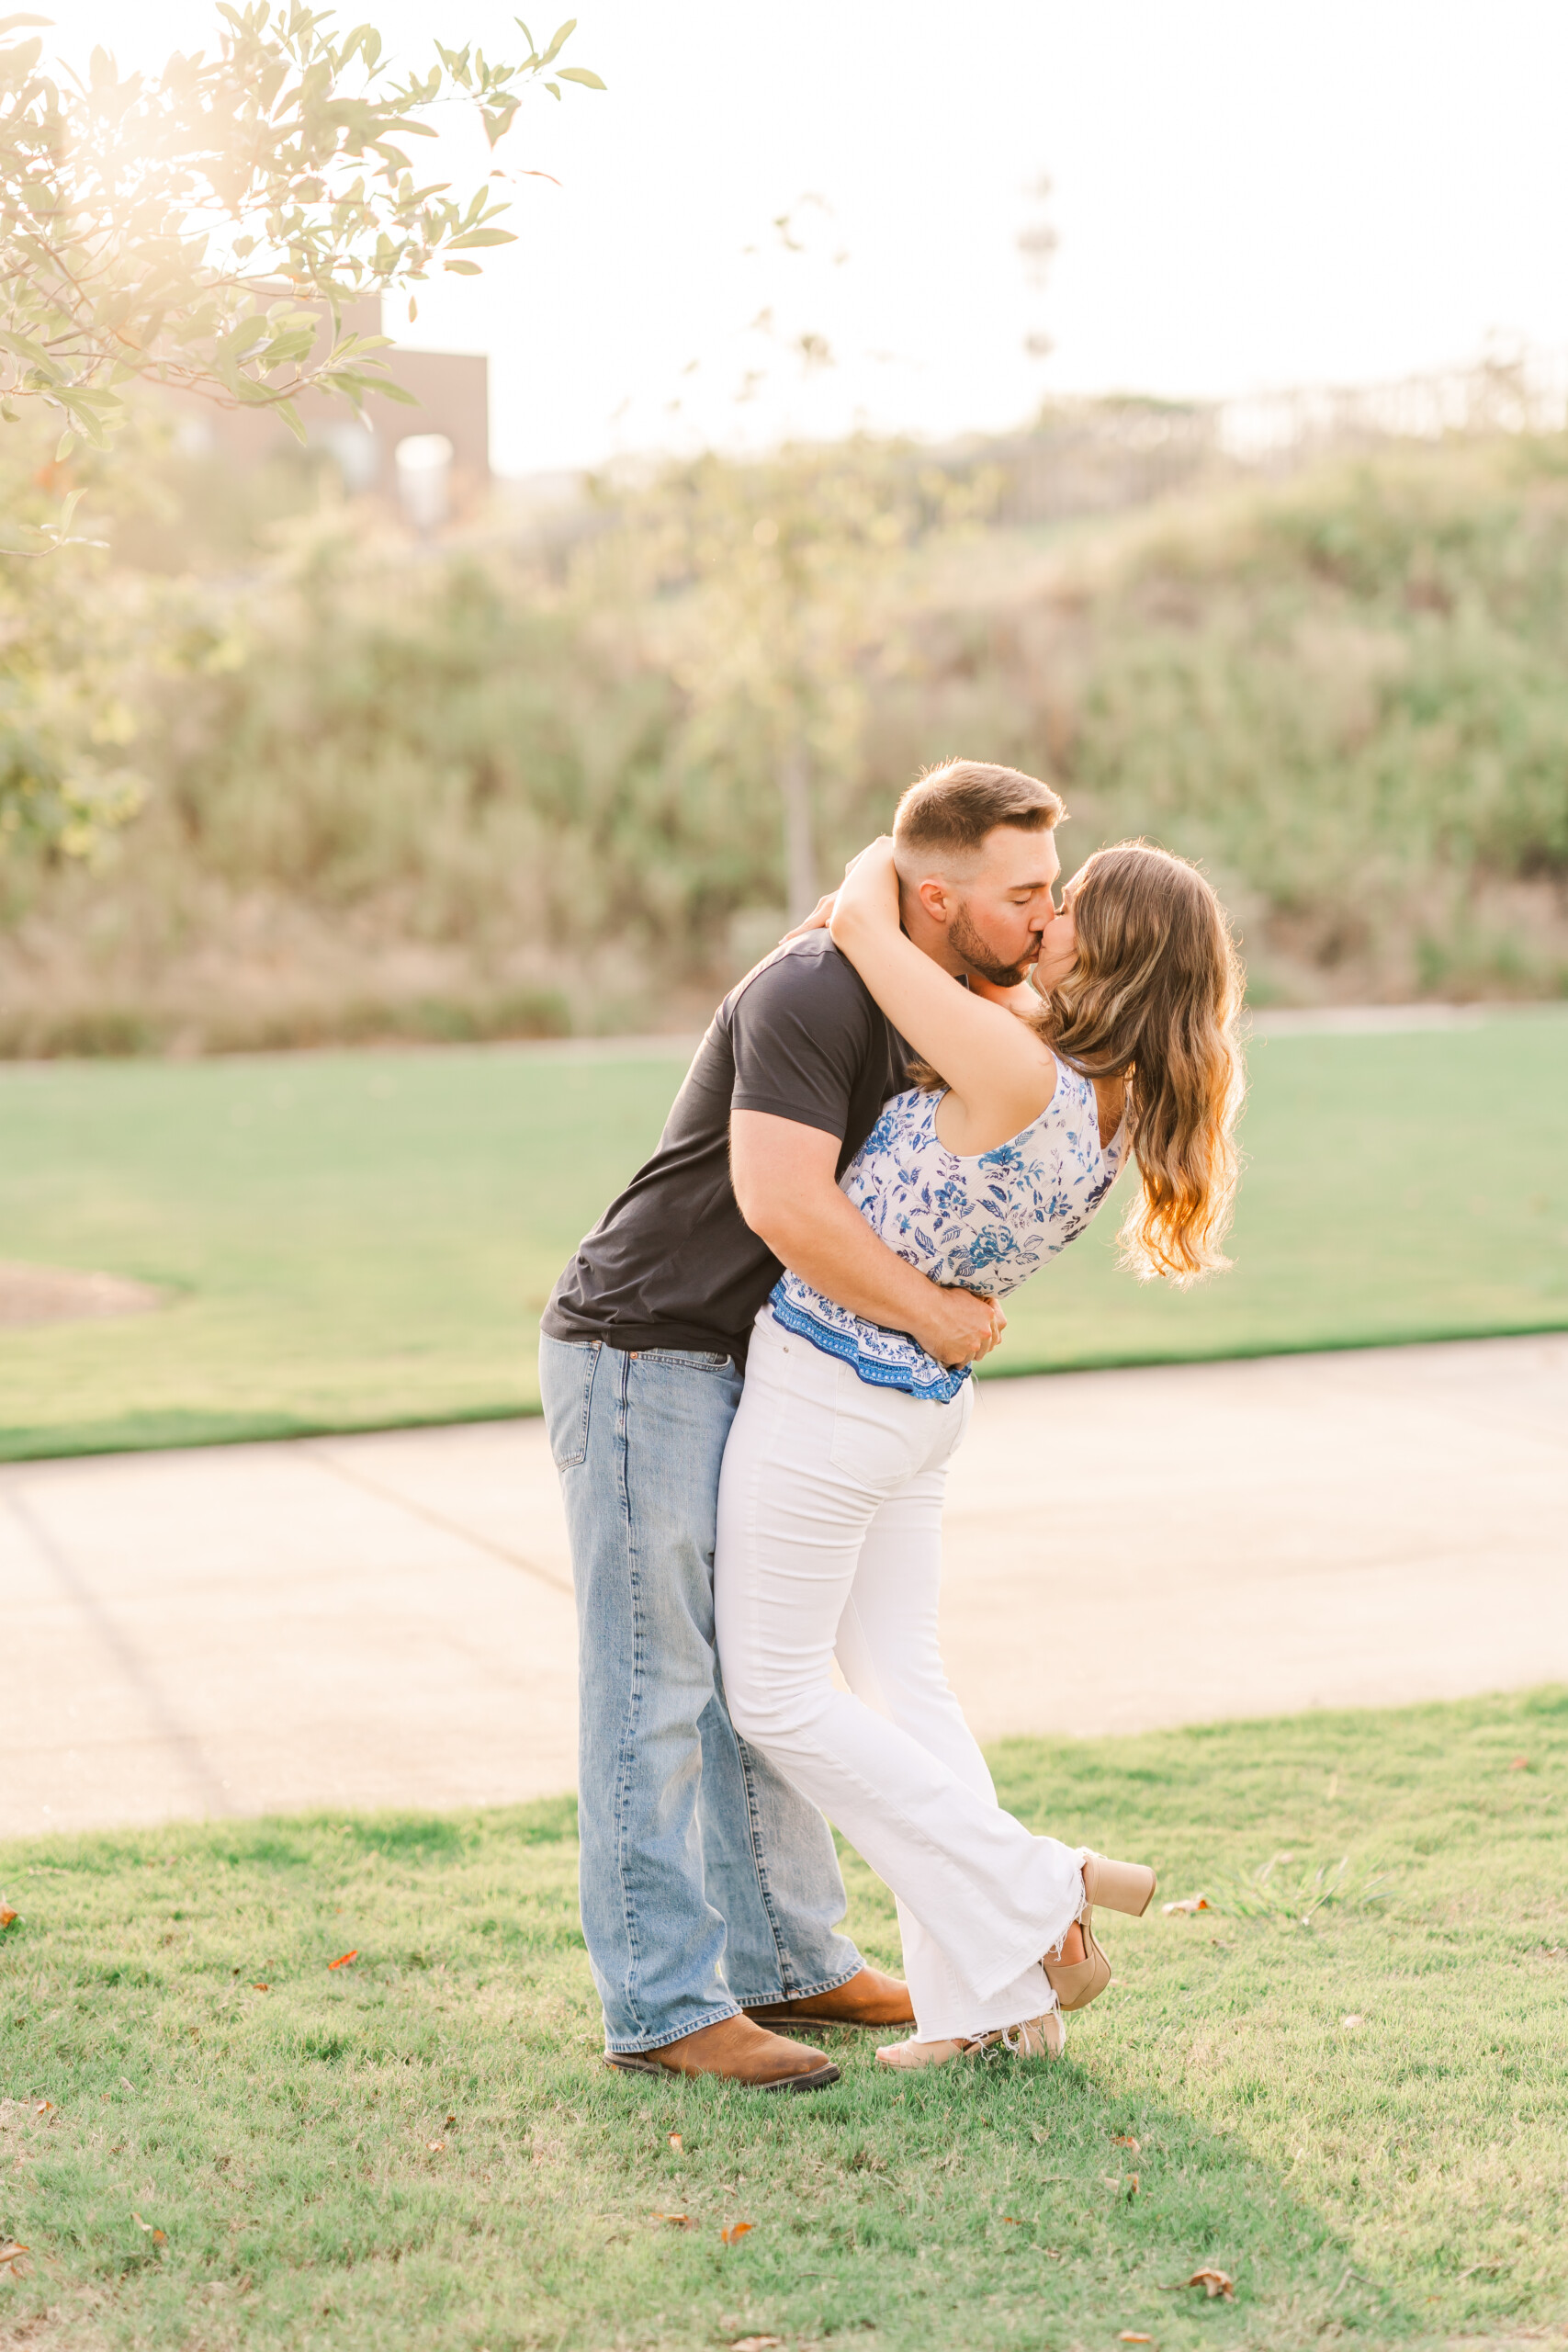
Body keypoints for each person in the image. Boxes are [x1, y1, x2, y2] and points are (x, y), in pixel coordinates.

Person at [539, 762, 1068, 2089]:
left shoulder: (925, 983)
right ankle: (663, 2007)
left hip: (745, 1357)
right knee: (656, 1679)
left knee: (756, 1665)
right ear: (937, 896)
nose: (1047, 919)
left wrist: (870, 898)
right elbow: (784, 1203)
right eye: (1026, 895)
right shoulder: (813, 990)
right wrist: (937, 1318)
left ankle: (791, 1959)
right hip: (645, 1344)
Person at [714, 797, 1246, 2068]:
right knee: (905, 1689)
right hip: (917, 1419)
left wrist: (889, 860)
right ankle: (995, 2007)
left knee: (774, 1696)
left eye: (1068, 910)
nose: (1045, 921)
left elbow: (859, 918)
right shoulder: (1109, 1108)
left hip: (831, 1393)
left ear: (1105, 955)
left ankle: (1041, 1882)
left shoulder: (1014, 1067)